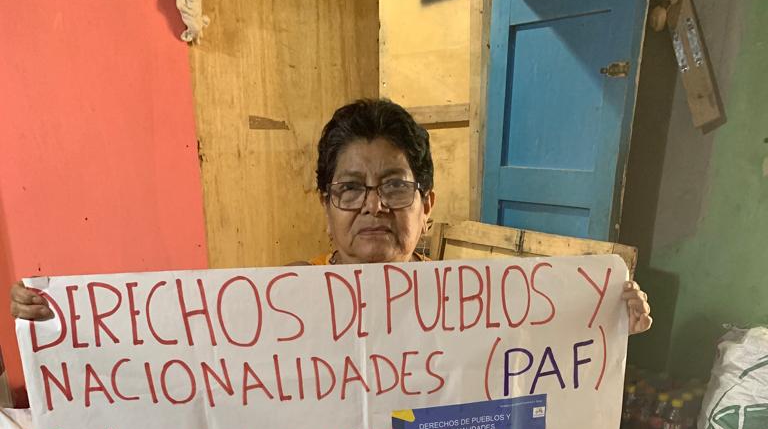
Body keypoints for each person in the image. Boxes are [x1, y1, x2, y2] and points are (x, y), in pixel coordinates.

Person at [10, 98, 653, 333]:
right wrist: (69, 323)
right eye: (350, 188)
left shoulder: (475, 309)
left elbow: (543, 371)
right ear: (326, 206)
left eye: (395, 187)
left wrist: (603, 316)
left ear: (427, 205)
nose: (373, 205)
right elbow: (173, 356)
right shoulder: (279, 307)